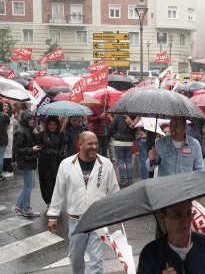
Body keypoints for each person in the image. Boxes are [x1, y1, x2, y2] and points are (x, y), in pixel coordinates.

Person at [47, 131, 119, 274]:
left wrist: (119, 213)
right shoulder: (66, 165)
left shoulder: (105, 164)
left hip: (97, 220)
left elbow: (114, 191)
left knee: (97, 260)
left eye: (96, 143)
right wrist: (53, 216)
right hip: (76, 221)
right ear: (80, 144)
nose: (94, 147)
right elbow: (58, 191)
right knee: (76, 259)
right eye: (90, 143)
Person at [137, 200, 205, 274]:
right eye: (177, 214)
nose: (185, 220)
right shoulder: (150, 254)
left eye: (188, 213)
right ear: (162, 217)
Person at [12, 110, 41, 217]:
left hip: (30, 159)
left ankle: (18, 206)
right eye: (30, 118)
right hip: (25, 161)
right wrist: (31, 149)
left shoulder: (29, 129)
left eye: (33, 119)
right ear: (25, 119)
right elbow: (17, 149)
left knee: (30, 185)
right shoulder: (20, 131)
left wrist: (35, 135)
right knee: (29, 185)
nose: (32, 121)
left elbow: (35, 143)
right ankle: (26, 209)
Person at [37, 116, 65, 207]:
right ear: (47, 125)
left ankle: (55, 200)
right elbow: (37, 147)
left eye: (54, 125)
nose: (52, 126)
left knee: (55, 181)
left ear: (57, 125)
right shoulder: (42, 134)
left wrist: (56, 152)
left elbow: (62, 148)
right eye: (50, 124)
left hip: (56, 162)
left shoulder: (60, 135)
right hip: (44, 162)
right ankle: (48, 201)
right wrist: (44, 150)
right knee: (45, 182)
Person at [108, 114, 139, 186]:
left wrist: (114, 135)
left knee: (120, 161)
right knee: (128, 161)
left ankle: (122, 180)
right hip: (129, 142)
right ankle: (130, 180)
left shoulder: (117, 117)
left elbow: (110, 127)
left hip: (118, 142)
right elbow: (134, 128)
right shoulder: (132, 116)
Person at [2, 101, 17, 178]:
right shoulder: (4, 115)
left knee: (8, 154)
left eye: (7, 106)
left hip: (8, 137)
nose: (6, 107)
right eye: (4, 106)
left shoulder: (10, 117)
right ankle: (5, 170)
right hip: (4, 136)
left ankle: (10, 171)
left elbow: (8, 127)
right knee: (5, 154)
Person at [0, 101, 10, 181]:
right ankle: (0, 175)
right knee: (1, 157)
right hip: (3, 138)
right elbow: (8, 124)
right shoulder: (5, 115)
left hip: (3, 138)